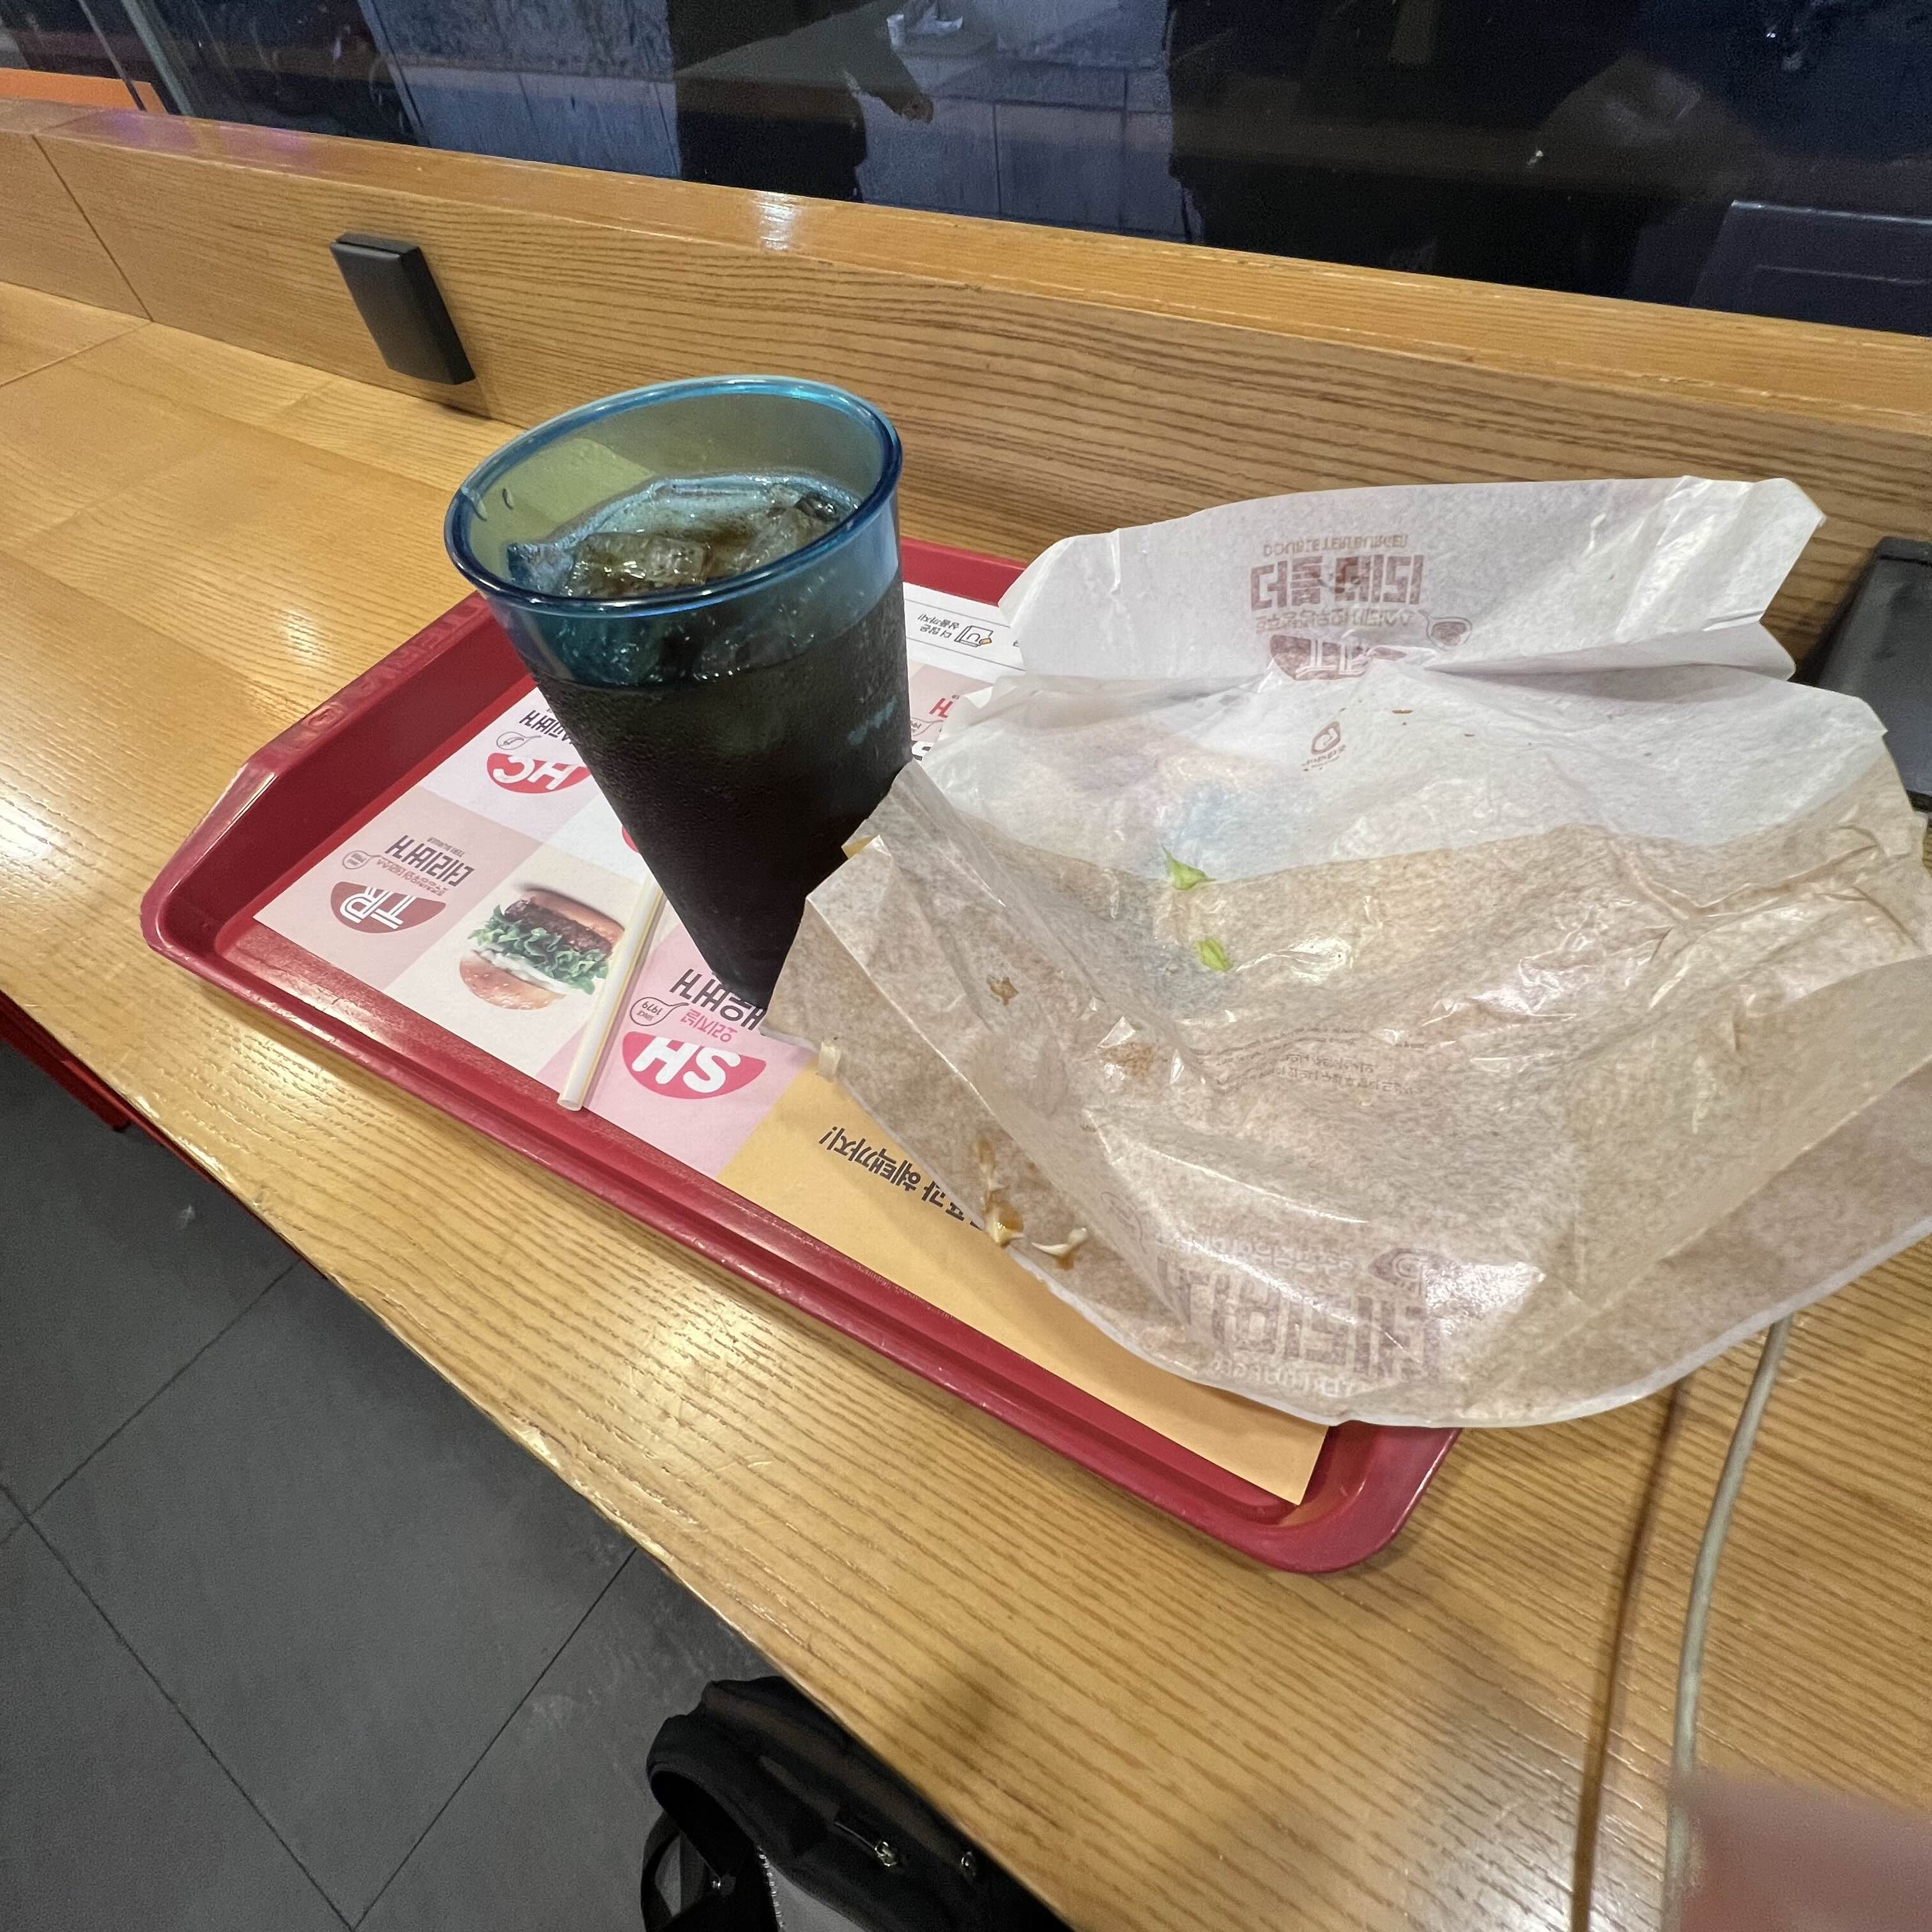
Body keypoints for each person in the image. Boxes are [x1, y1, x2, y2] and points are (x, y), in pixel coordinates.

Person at [667, 0, 932, 203]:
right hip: (777, 130)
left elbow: (839, 25)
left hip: (764, 129)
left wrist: (898, 89)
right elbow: (839, 24)